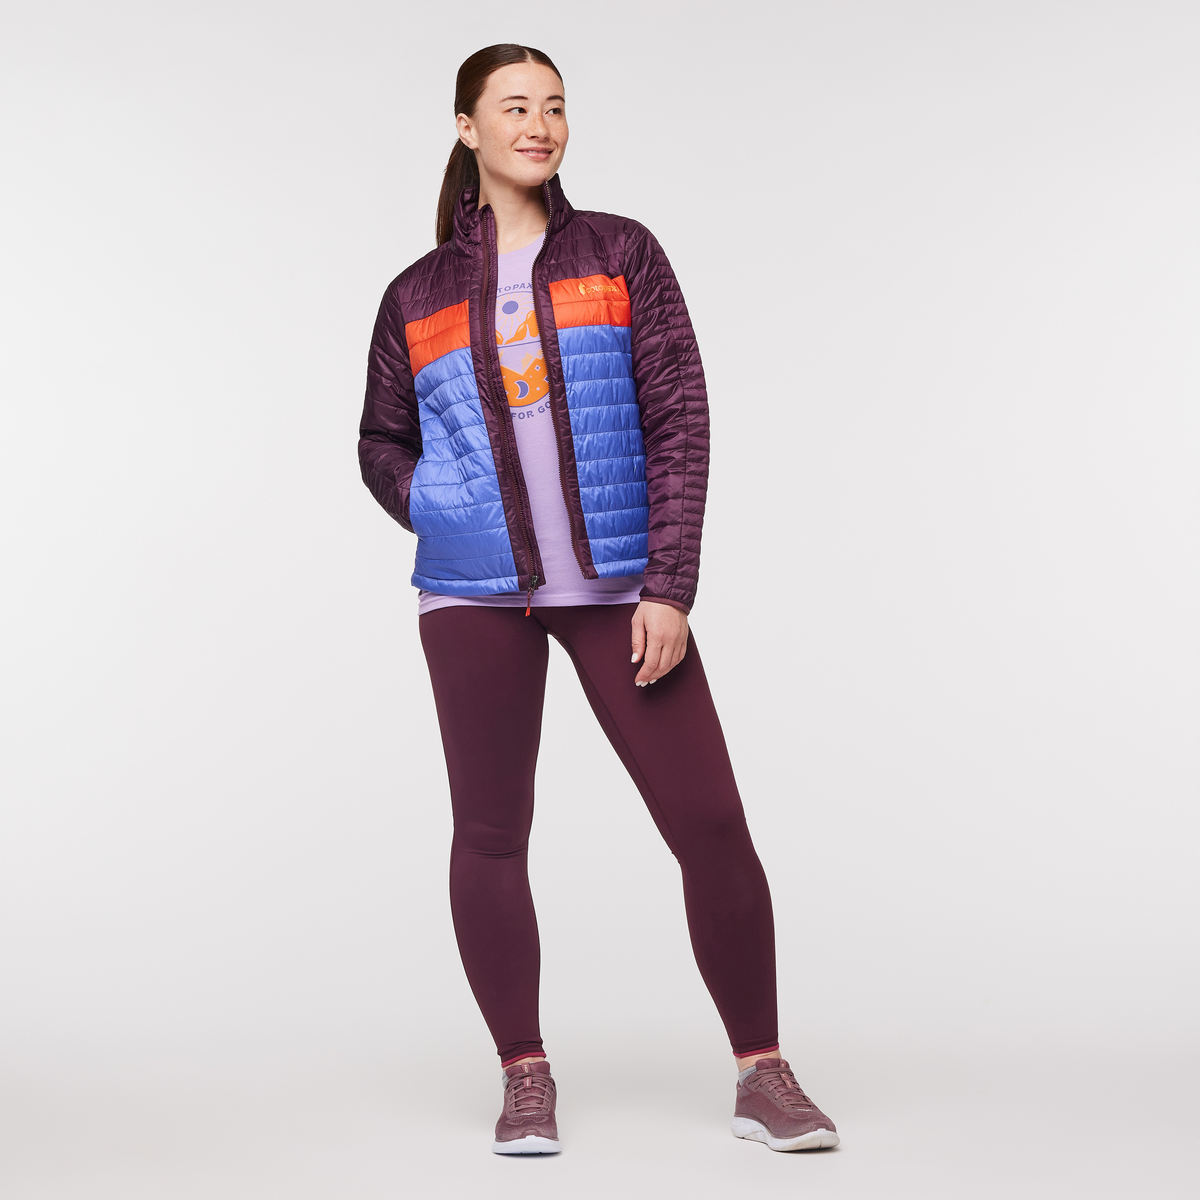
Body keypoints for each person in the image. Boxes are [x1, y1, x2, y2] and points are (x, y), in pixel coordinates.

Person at [358, 43, 838, 1156]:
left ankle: (762, 1073)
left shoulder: (621, 252)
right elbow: (382, 439)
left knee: (709, 822)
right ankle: (523, 1075)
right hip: (471, 595)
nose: (540, 124)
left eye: (556, 106)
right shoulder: (417, 293)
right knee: (490, 834)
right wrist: (436, 503)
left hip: (618, 588)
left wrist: (669, 584)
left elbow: (680, 417)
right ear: (468, 128)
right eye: (515, 106)